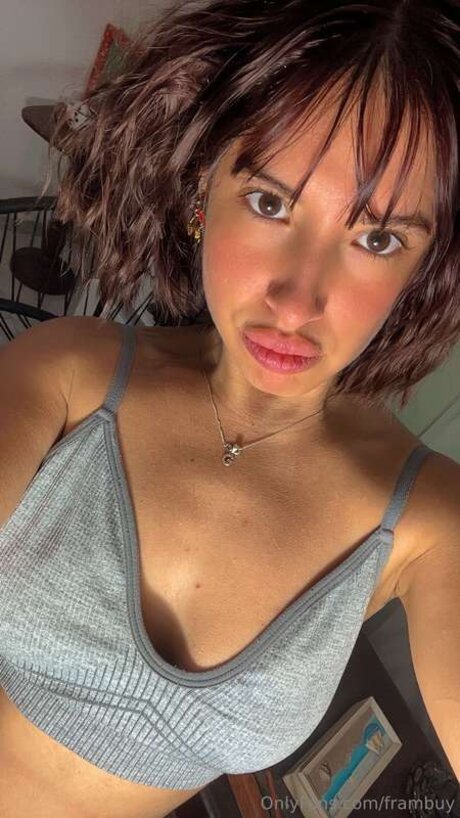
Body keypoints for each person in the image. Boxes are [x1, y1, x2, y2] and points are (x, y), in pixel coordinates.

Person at [1, 0, 459, 816]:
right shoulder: (67, 375)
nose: (299, 299)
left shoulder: (428, 522)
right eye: (271, 203)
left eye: (378, 239)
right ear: (202, 192)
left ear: (420, 268)